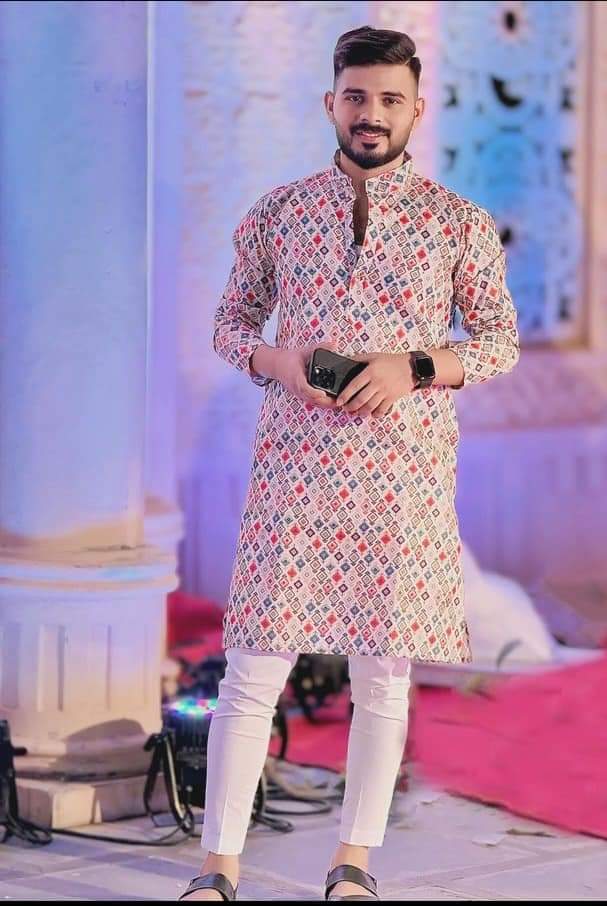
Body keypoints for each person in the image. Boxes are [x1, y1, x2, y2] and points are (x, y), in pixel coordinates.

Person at [179, 25, 520, 903]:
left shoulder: (457, 223)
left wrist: (413, 367)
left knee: (383, 677)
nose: (372, 114)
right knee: (254, 668)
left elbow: (497, 342)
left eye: (389, 99)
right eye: (357, 97)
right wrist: (277, 360)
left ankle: (353, 861)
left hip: (402, 474)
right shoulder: (279, 212)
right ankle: (216, 868)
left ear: (415, 108)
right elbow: (229, 325)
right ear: (331, 102)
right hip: (294, 468)